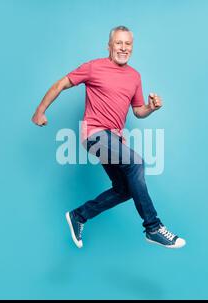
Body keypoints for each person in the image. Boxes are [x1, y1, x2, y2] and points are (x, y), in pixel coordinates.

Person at [32, 26, 186, 249]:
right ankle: (153, 227)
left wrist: (151, 108)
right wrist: (40, 110)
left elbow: (138, 111)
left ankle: (79, 215)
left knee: (124, 190)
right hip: (95, 134)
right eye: (119, 43)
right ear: (109, 46)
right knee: (136, 163)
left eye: (128, 44)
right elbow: (61, 84)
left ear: (132, 47)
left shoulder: (134, 76)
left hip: (114, 140)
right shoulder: (94, 67)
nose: (123, 48)